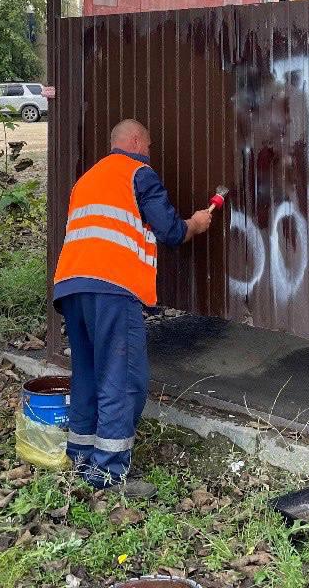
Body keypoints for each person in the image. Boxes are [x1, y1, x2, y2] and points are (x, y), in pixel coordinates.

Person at [53, 118, 215, 495]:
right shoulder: (138, 173)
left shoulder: (87, 179)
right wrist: (196, 222)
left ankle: (80, 455)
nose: (151, 153)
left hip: (71, 285)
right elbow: (170, 230)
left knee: (89, 372)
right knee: (122, 379)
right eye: (150, 145)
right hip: (112, 288)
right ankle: (108, 473)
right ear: (137, 141)